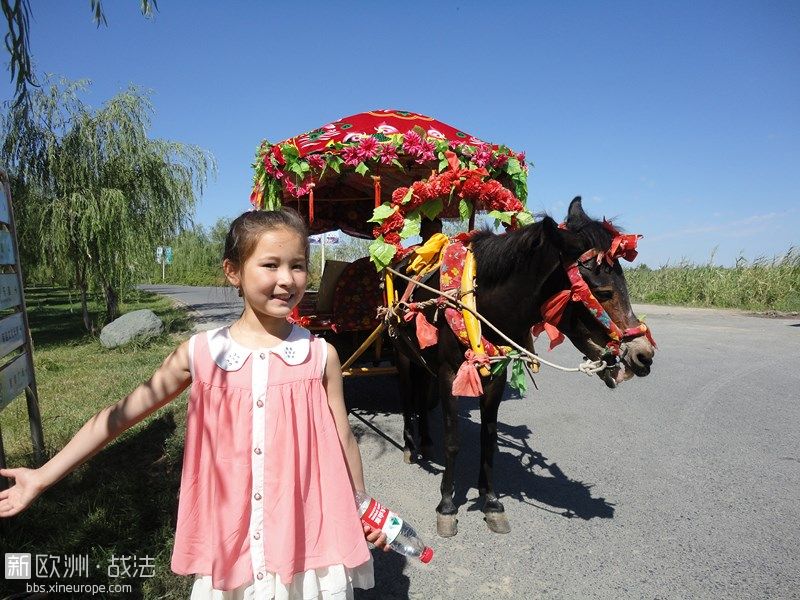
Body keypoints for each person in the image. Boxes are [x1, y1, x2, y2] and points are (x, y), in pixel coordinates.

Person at [0, 209, 388, 599]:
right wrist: (42, 475)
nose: (287, 279)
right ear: (233, 271)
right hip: (230, 543)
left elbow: (343, 439)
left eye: (298, 266)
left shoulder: (320, 356)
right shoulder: (201, 353)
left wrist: (363, 506)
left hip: (306, 541)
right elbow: (118, 417)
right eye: (270, 265)